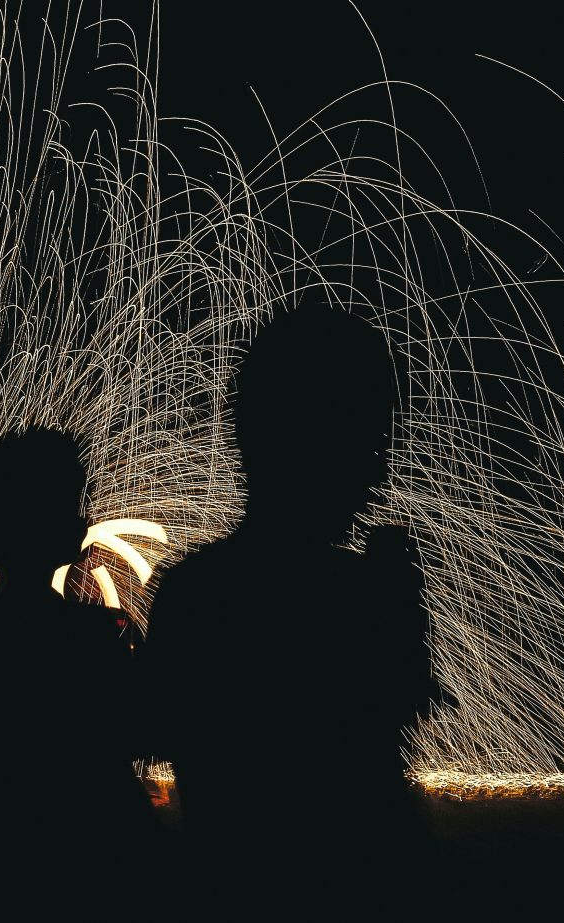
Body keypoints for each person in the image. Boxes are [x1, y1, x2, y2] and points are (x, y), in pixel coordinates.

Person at [143, 303, 430, 895]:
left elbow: (160, 736)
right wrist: (397, 615)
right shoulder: (356, 599)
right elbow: (380, 745)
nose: (379, 473)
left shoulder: (192, 595)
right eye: (366, 441)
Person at [0, 427, 158, 898]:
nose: (83, 519)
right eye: (72, 505)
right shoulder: (92, 634)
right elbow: (143, 732)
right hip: (97, 866)